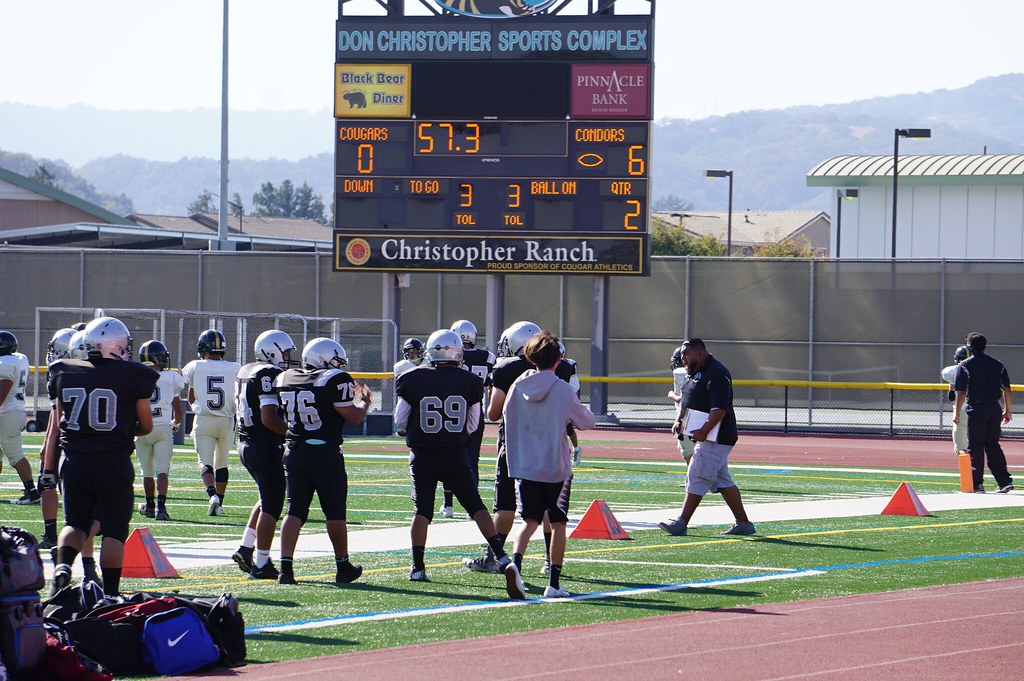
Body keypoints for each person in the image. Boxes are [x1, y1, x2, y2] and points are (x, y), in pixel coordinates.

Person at [41, 317, 159, 597]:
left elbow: (58, 423)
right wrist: (126, 429)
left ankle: (63, 568)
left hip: (74, 460)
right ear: (116, 345)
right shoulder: (133, 375)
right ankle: (111, 594)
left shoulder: (63, 371)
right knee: (114, 532)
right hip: (113, 461)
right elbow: (146, 426)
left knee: (74, 524)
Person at [394, 329, 513, 583]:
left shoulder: (411, 378)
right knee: (476, 506)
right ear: (457, 352)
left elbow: (400, 420)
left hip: (423, 454)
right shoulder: (469, 381)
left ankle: (417, 567)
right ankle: (501, 556)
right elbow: (472, 424)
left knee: (422, 511)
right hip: (455, 454)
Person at [503, 330, 596, 599]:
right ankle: (554, 582)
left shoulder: (518, 385)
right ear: (558, 360)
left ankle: (515, 564)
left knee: (529, 520)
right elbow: (586, 421)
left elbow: (507, 420)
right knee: (557, 523)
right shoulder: (562, 388)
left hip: (525, 465)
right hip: (555, 466)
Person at [274, 337, 371, 585]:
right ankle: (343, 566)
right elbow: (355, 417)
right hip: (325, 453)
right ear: (323, 359)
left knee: (294, 510)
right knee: (335, 512)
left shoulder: (286, 378)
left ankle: (286, 568)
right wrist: (365, 402)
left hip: (294, 451)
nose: (339, 365)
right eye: (336, 360)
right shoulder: (335, 380)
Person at [463, 320, 540, 574]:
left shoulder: (506, 368)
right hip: (546, 443)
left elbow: (493, 413)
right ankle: (551, 561)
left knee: (505, 504)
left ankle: (493, 557)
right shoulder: (555, 366)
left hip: (514, 443)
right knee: (548, 505)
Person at [659, 338, 755, 537]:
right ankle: (744, 523)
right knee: (722, 480)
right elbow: (687, 398)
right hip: (706, 435)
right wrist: (679, 420)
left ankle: (681, 522)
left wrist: (704, 430)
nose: (683, 358)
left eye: (687, 354)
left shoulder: (717, 372)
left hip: (716, 436)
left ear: (700, 353)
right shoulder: (695, 372)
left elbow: (719, 408)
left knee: (697, 474)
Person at [231, 329, 292, 580]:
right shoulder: (269, 373)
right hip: (264, 444)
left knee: (267, 497)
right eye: (285, 352)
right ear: (272, 350)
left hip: (245, 441)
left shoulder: (247, 369)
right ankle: (262, 563)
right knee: (273, 504)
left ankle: (246, 547)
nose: (288, 358)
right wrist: (291, 434)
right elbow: (268, 417)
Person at [182, 329, 241, 516]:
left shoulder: (194, 366)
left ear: (202, 348)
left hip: (204, 419)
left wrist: (198, 407)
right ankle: (220, 504)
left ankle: (212, 494)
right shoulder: (235, 368)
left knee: (205, 463)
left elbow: (191, 397)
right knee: (222, 464)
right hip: (227, 420)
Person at [953, 332, 1014, 493]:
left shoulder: (965, 365)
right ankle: (1004, 482)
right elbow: (1007, 389)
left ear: (969, 347)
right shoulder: (997, 364)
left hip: (976, 409)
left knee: (975, 447)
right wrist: (1007, 410)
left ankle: (977, 484)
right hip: (995, 408)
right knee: (993, 445)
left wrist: (956, 413)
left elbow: (960, 392)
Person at [447, 319, 495, 517]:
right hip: (477, 410)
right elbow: (492, 385)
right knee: (472, 460)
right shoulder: (488, 357)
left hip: (453, 412)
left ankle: (448, 505)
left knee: (449, 458)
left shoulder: (452, 354)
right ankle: (472, 507)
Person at [135, 340, 184, 521]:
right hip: (163, 427)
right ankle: (161, 508)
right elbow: (178, 412)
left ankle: (149, 506)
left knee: (146, 472)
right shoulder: (171, 378)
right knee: (162, 471)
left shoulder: (136, 377)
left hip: (142, 429)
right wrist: (176, 424)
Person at [0, 331, 41, 506]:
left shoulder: (6, 364)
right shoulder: (19, 359)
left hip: (7, 412)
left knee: (15, 456)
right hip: (13, 411)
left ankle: (31, 492)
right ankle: (31, 490)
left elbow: (3, 391)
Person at [555, 340, 583, 466]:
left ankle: (576, 449)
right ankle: (563, 451)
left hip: (563, 398)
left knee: (567, 427)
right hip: (550, 399)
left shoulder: (568, 365)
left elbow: (574, 386)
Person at [668, 345, 696, 470]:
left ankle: (694, 477)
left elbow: (682, 398)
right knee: (687, 449)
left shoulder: (680, 373)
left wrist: (671, 394)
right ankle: (694, 477)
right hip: (696, 415)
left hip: (686, 416)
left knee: (687, 450)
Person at [941, 345, 970, 456]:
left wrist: (952, 387)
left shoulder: (951, 371)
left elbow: (952, 395)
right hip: (978, 408)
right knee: (977, 441)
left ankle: (966, 469)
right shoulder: (980, 369)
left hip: (961, 408)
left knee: (960, 446)